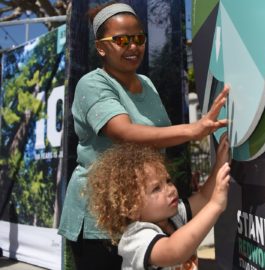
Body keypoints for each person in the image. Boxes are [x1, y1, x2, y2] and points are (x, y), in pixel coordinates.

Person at [58, 1, 229, 269]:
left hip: (143, 213)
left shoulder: (147, 84)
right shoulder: (92, 83)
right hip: (99, 219)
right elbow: (123, 132)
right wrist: (193, 130)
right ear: (101, 47)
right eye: (121, 40)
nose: (133, 46)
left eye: (138, 38)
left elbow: (155, 139)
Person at [88, 135, 231, 270]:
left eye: (168, 181)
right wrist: (215, 206)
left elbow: (203, 198)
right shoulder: (136, 238)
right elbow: (174, 251)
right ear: (131, 208)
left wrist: (220, 165)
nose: (170, 190)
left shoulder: (173, 216)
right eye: (156, 189)